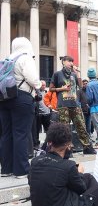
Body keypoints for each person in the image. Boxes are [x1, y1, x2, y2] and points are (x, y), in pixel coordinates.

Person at [29, 122, 98, 206]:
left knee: (88, 177)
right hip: (66, 202)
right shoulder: (68, 166)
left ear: (49, 142)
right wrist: (79, 172)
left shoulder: (35, 161)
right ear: (67, 145)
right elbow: (81, 188)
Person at [0, 37, 41, 178]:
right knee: (21, 134)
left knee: (6, 134)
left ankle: (6, 169)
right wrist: (40, 84)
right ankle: (21, 170)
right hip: (21, 97)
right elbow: (32, 79)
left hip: (4, 98)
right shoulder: (25, 58)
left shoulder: (7, 59)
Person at [49, 55, 95, 154]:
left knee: (81, 125)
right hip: (63, 104)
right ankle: (67, 149)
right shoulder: (57, 74)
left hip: (75, 104)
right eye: (69, 61)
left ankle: (87, 147)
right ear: (63, 62)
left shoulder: (73, 75)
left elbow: (82, 86)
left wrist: (78, 74)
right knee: (64, 128)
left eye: (72, 61)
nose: (71, 63)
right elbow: (51, 88)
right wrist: (62, 89)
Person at [86, 68, 98, 143]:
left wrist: (89, 104)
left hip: (94, 108)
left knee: (97, 125)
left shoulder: (89, 85)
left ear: (88, 76)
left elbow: (90, 98)